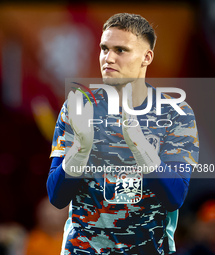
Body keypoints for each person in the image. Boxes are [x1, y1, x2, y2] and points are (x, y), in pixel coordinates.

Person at [47, 13, 199, 255]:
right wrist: (80, 150)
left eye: (121, 50)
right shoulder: (78, 107)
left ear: (146, 57)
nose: (108, 58)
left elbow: (175, 197)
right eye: (104, 49)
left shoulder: (176, 113)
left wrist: (139, 144)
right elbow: (56, 196)